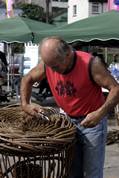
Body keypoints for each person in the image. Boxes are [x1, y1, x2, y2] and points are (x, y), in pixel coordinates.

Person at [20, 36, 119, 178]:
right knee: (72, 171)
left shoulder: (90, 63)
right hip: (68, 121)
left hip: (92, 123)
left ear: (68, 55)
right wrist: (25, 104)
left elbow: (115, 89)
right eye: (50, 66)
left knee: (91, 172)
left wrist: (100, 113)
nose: (52, 70)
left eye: (55, 66)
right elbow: (27, 79)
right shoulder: (48, 64)